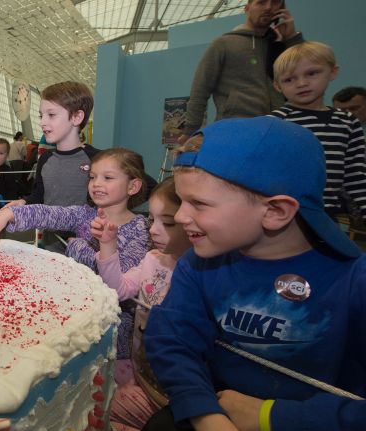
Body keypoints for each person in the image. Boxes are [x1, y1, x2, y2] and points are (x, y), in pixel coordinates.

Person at [144, 117, 366, 431]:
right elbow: (172, 342)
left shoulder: (355, 281)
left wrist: (270, 416)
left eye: (199, 203)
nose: (180, 216)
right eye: (181, 201)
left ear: (275, 211)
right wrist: (205, 414)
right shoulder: (198, 264)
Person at [0, 148, 150, 364]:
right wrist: (10, 214)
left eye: (108, 177)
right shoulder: (85, 213)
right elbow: (51, 213)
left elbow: (117, 285)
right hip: (76, 310)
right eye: (92, 177)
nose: (96, 183)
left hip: (111, 330)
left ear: (133, 186)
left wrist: (77, 247)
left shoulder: (139, 229)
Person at [89, 177, 190, 430]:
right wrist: (108, 244)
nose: (154, 230)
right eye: (151, 220)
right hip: (141, 375)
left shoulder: (204, 274)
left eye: (168, 223)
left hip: (174, 393)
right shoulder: (153, 259)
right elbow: (118, 289)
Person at [269, 41, 366, 224]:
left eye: (312, 73)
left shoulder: (348, 122)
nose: (302, 83)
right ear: (278, 86)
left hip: (326, 213)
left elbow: (355, 175)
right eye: (289, 79)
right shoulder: (273, 123)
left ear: (333, 72)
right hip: (283, 212)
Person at [181, 0, 303, 139]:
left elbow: (304, 75)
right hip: (234, 131)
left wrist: (292, 38)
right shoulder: (223, 44)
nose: (269, 7)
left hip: (276, 130)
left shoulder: (280, 45)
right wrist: (190, 132)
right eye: (261, 2)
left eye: (275, 2)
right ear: (247, 9)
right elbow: (200, 91)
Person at [5, 81, 100, 252]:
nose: (42, 122)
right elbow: (40, 195)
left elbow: (140, 185)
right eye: (41, 115)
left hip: (86, 247)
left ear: (77, 117)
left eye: (51, 115)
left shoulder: (97, 159)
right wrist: (24, 202)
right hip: (50, 244)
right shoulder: (45, 159)